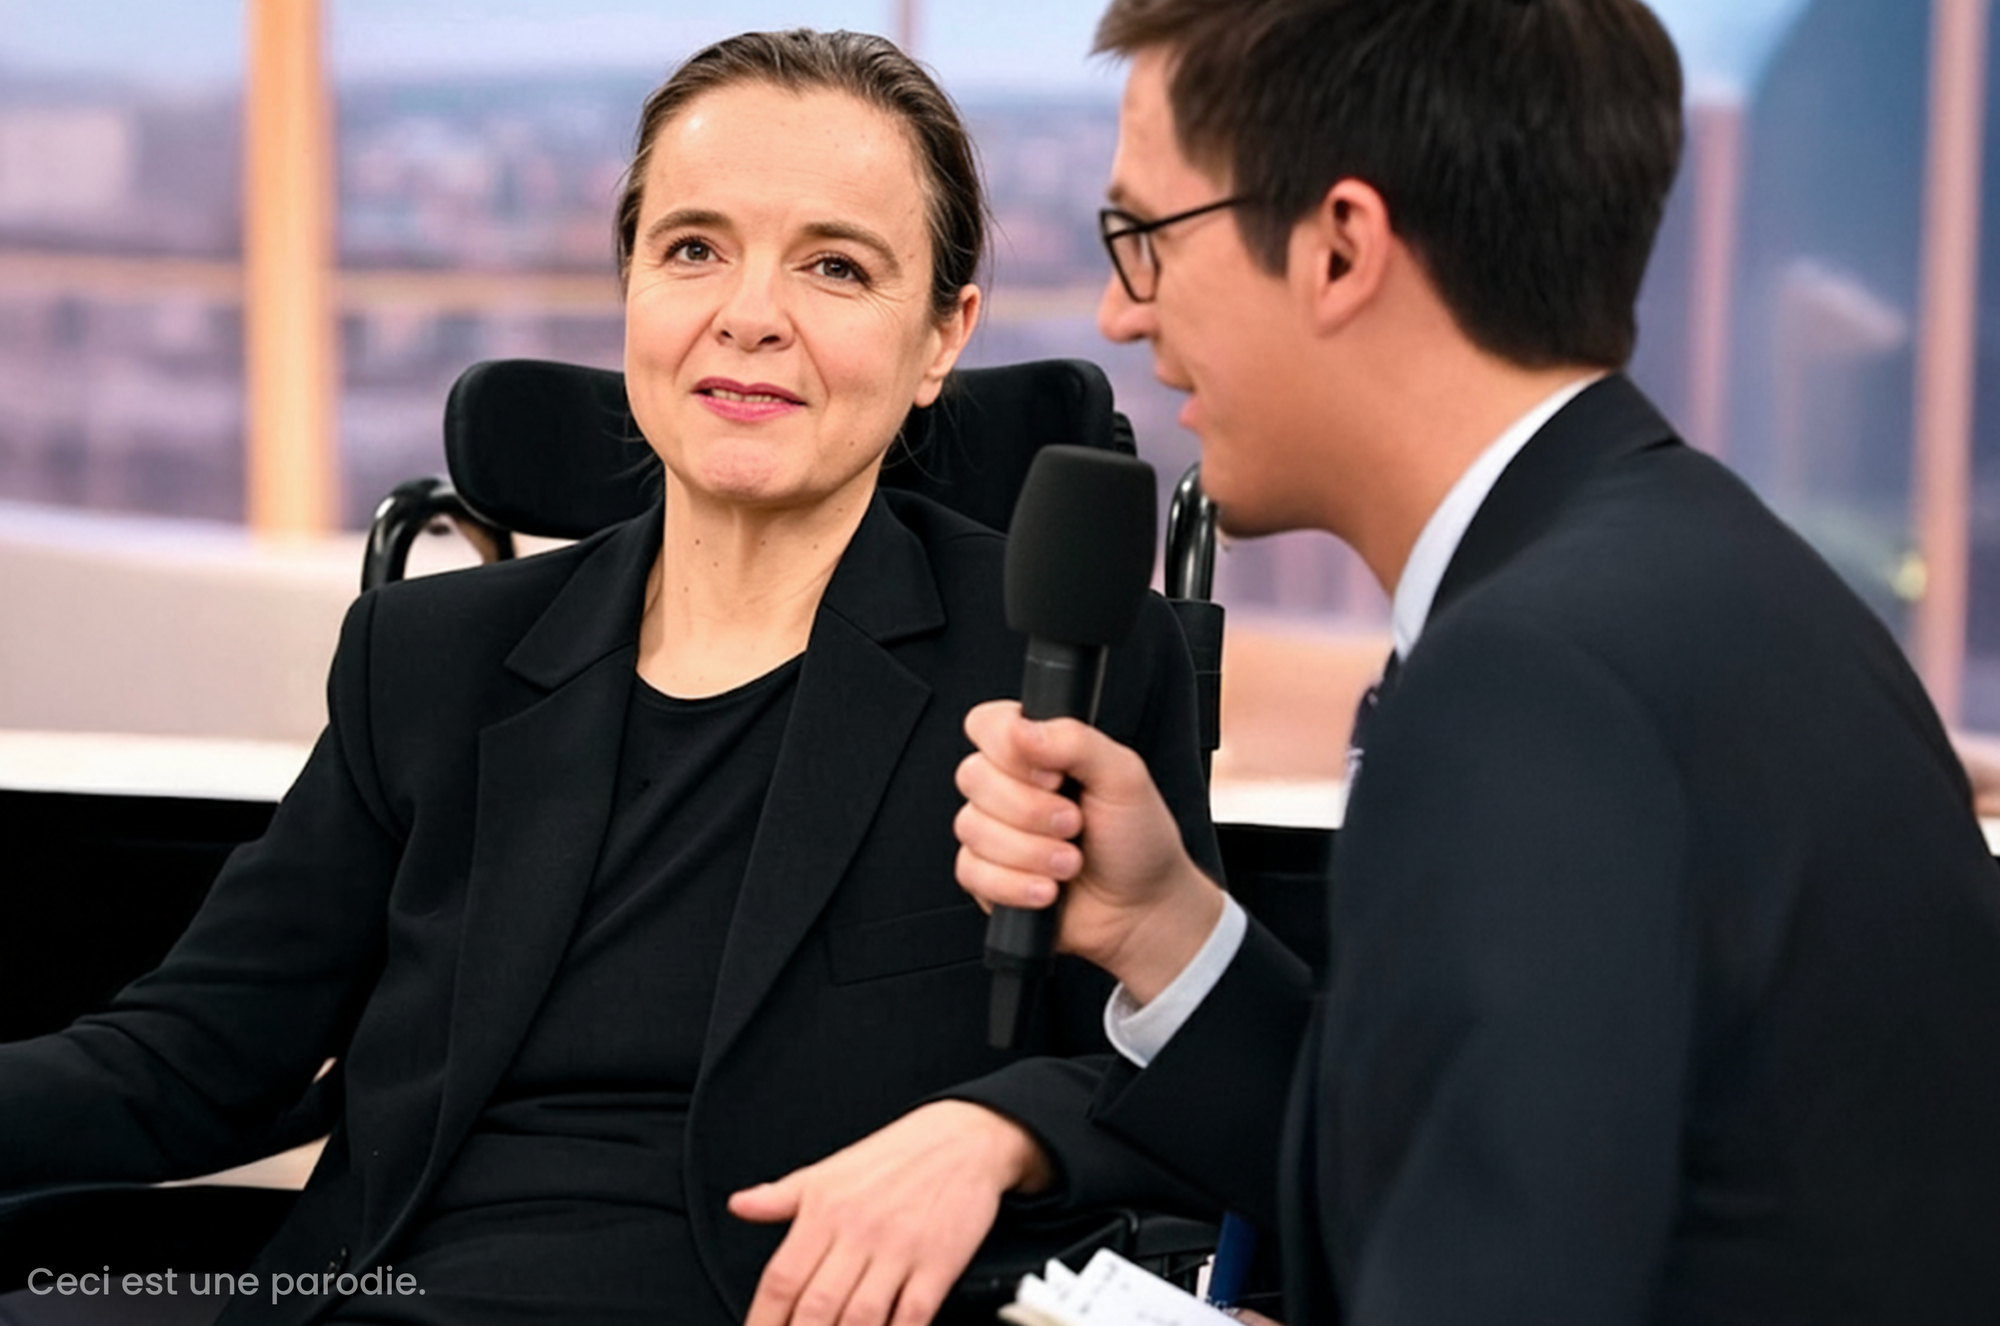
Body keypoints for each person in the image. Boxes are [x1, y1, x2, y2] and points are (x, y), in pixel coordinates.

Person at [0, 29, 1220, 1326]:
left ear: (941, 338)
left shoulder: (1061, 657)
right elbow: (192, 1056)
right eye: (693, 248)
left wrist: (994, 1131)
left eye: (836, 266)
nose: (748, 312)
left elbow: (1182, 1076)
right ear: (629, 285)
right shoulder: (427, 659)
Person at [953, 1, 2000, 1322]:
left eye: (1148, 238)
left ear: (1340, 248)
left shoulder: (1527, 689)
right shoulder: (1695, 578)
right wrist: (1165, 926)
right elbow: (1490, 1151)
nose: (1116, 312)